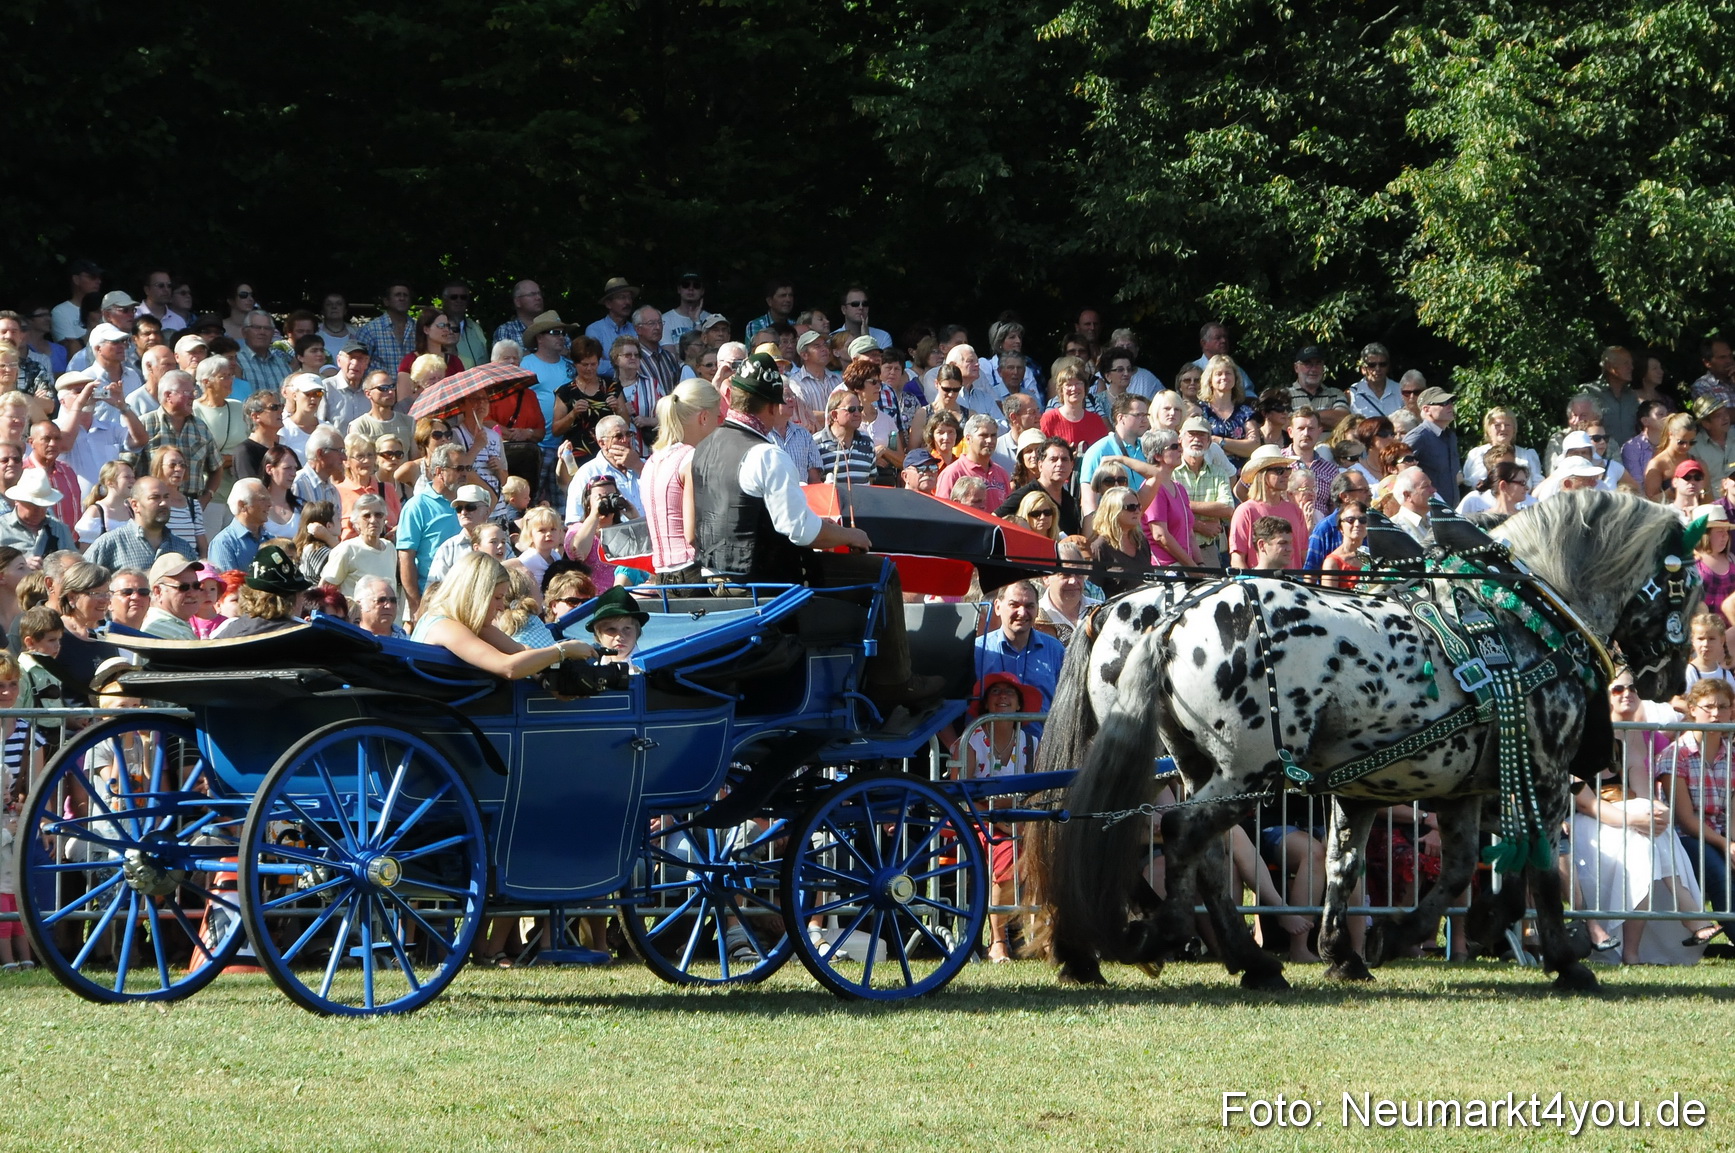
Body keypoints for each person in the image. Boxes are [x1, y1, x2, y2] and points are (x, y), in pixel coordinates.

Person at [691, 351, 939, 705]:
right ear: (775, 407)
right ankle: (895, 686)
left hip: (716, 583)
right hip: (772, 592)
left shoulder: (703, 447)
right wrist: (851, 535)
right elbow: (802, 532)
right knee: (881, 572)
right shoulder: (766, 455)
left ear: (732, 396)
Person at [1575, 666, 1711, 964]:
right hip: (1586, 822)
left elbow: (1642, 793)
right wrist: (1636, 818)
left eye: (1633, 688)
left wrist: (1653, 811)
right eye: (1618, 689)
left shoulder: (1630, 735)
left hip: (1625, 818)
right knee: (1645, 835)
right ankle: (1690, 918)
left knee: (1649, 837)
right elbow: (1588, 804)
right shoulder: (1578, 738)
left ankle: (1634, 951)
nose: (1628, 694)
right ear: (1603, 699)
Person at [956, 671, 1044, 962]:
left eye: (1010, 692)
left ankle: (1045, 938)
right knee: (1005, 854)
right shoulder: (971, 740)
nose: (1003, 697)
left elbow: (1041, 794)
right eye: (996, 692)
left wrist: (1021, 820)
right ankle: (998, 942)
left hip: (1024, 821)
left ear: (1020, 703)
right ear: (985, 705)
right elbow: (961, 797)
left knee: (1050, 854)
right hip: (980, 821)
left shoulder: (1032, 742)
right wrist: (998, 820)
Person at [410, 551, 596, 677]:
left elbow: (520, 650)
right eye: (498, 597)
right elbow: (508, 667)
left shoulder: (467, 623)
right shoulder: (445, 626)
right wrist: (563, 651)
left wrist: (546, 671)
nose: (501, 607)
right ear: (477, 595)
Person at [1660, 676, 1735, 945]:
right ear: (1692, 709)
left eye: (1723, 707)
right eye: (1708, 707)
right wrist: (1726, 844)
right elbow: (1685, 819)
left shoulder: (1733, 754)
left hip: (1722, 835)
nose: (1716, 714)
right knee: (1718, 871)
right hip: (1684, 839)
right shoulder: (1675, 754)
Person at [643, 379, 720, 586]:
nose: (719, 422)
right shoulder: (691, 458)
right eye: (717, 416)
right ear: (704, 417)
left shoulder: (652, 460)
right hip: (691, 572)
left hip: (661, 574)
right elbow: (691, 533)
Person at [397, 444, 465, 621]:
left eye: (468, 468)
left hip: (464, 596)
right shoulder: (416, 506)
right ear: (439, 471)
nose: (465, 474)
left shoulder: (468, 505)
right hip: (431, 598)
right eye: (459, 469)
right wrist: (415, 605)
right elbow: (406, 557)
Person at [972, 580, 1064, 711]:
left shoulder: (1055, 649)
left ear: (1037, 610)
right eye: (1014, 605)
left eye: (1029, 606)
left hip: (1041, 732)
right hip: (989, 732)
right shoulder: (977, 650)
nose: (1022, 612)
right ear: (997, 607)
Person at [210, 543, 313, 638]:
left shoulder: (226, 634)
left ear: (247, 594)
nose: (303, 601)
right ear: (293, 598)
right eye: (301, 594)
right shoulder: (307, 636)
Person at [1226, 449, 1306, 568]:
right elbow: (1237, 559)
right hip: (1259, 584)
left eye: (1288, 469)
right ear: (1262, 475)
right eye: (1280, 471)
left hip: (1292, 583)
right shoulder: (1245, 511)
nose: (1286, 474)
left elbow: (1303, 555)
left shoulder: (1295, 510)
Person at [321, 493, 398, 600]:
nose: (373, 520)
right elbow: (325, 590)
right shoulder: (347, 549)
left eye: (378, 515)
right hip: (355, 615)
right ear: (356, 522)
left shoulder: (389, 548)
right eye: (366, 516)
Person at [0, 469, 77, 555]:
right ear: (17, 501)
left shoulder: (60, 529)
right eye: (32, 505)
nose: (38, 510)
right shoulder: (2, 528)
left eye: (43, 506)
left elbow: (74, 564)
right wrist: (20, 563)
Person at [1403, 386, 1461, 500]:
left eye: (1450, 402)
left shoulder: (1450, 436)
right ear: (1426, 409)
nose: (1450, 406)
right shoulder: (1418, 437)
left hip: (1451, 510)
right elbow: (1400, 471)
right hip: (1429, 510)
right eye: (1443, 403)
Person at [209, 478, 272, 573]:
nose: (269, 504)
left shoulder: (271, 539)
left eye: (269, 499)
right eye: (262, 499)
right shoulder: (223, 543)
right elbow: (229, 584)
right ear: (242, 505)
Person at [138, 553, 201, 639]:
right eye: (183, 587)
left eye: (196, 586)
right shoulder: (177, 635)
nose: (193, 593)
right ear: (158, 591)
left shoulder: (169, 627)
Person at [586, 585, 648, 671]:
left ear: (637, 631)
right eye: (611, 629)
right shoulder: (592, 670)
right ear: (598, 635)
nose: (619, 637)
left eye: (627, 628)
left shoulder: (649, 670)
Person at [1320, 499, 1370, 588]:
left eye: (1363, 520)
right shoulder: (1332, 563)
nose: (1357, 524)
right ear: (1340, 527)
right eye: (1350, 520)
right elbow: (1329, 598)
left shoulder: (1374, 558)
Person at [1347, 343, 1403, 418]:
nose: (1378, 369)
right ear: (1363, 369)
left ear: (1388, 366)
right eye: (1372, 365)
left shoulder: (1401, 391)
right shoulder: (1351, 394)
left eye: (1382, 364)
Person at [353, 574, 406, 639]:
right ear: (360, 605)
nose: (389, 606)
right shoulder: (347, 637)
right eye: (381, 600)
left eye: (393, 600)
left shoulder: (409, 642)